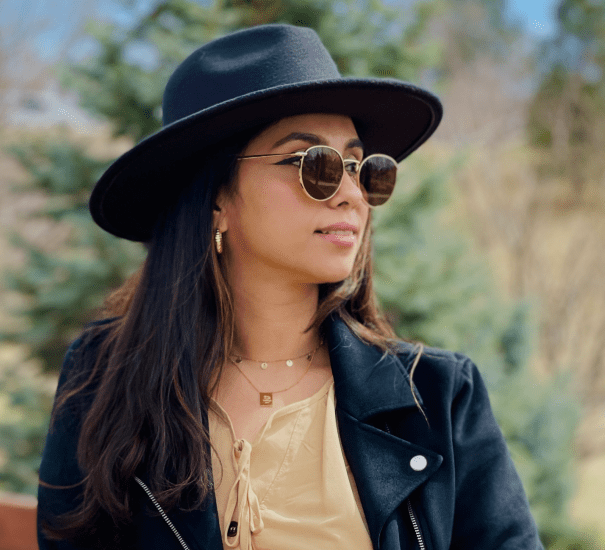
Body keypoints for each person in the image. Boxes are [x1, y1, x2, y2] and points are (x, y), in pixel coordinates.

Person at [37, 24, 543, 550]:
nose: (351, 195)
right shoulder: (104, 377)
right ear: (216, 198)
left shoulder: (437, 397)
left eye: (361, 168)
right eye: (313, 165)